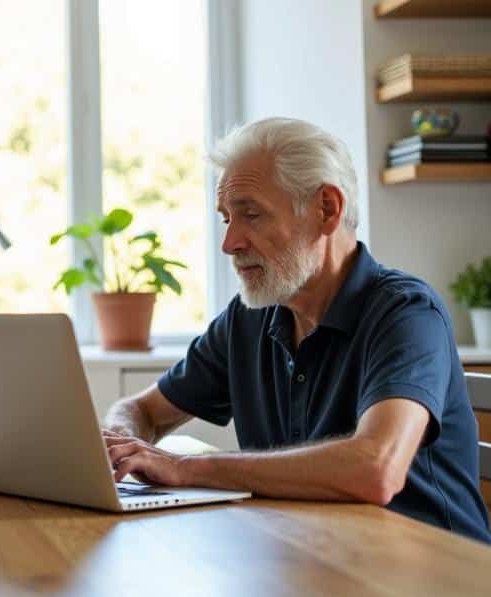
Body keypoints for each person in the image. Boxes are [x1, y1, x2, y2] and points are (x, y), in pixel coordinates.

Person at [102, 117, 491, 542]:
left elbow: (375, 469)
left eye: (251, 214)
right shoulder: (249, 318)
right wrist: (122, 446)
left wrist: (184, 468)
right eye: (226, 218)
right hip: (312, 555)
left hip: (433, 578)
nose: (229, 243)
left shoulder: (406, 313)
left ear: (326, 209)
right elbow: (139, 410)